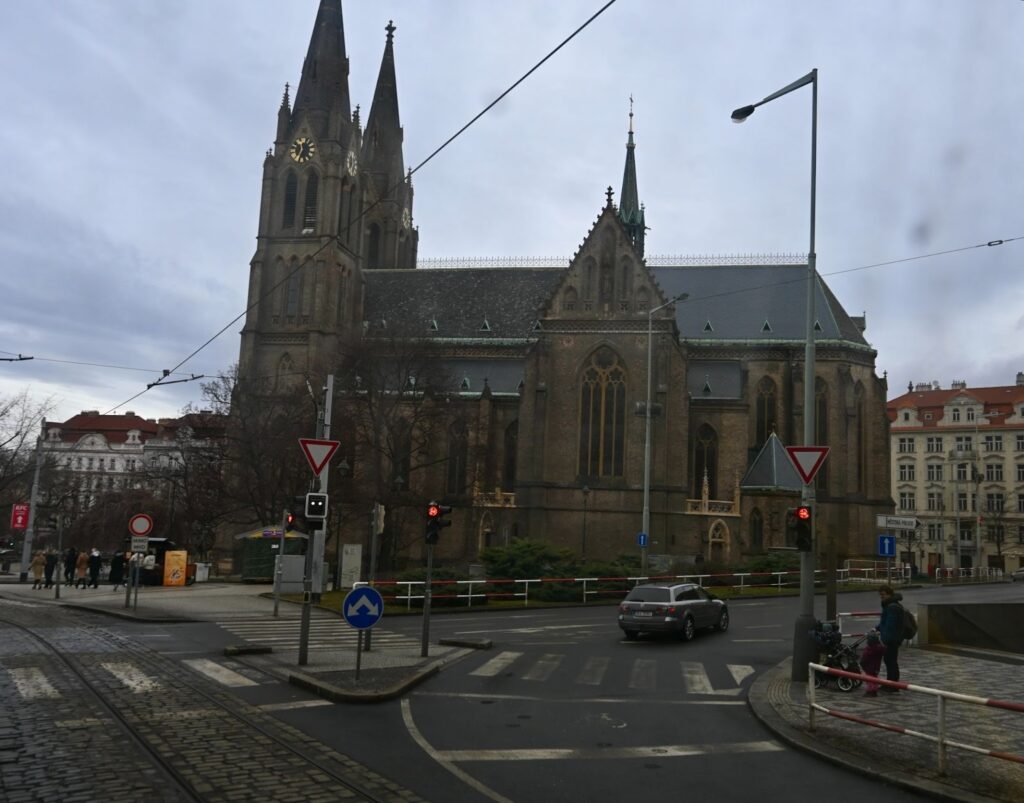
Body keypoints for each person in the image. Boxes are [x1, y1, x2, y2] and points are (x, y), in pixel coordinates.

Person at [874, 584, 905, 692]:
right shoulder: (891, 605)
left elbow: (890, 625)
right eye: (880, 595)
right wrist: (877, 628)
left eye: (883, 595)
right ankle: (891, 683)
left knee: (890, 661)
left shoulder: (892, 607)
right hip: (893, 638)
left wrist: (885, 638)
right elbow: (885, 622)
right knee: (890, 661)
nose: (881, 597)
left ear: (889, 594)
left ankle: (892, 684)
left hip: (891, 639)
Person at [860, 632, 886, 697]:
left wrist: (862, 664)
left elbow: (864, 658)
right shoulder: (880, 648)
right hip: (877, 666)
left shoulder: (868, 649)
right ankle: (874, 690)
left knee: (869, 679)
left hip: (868, 666)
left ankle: (870, 691)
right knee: (875, 678)